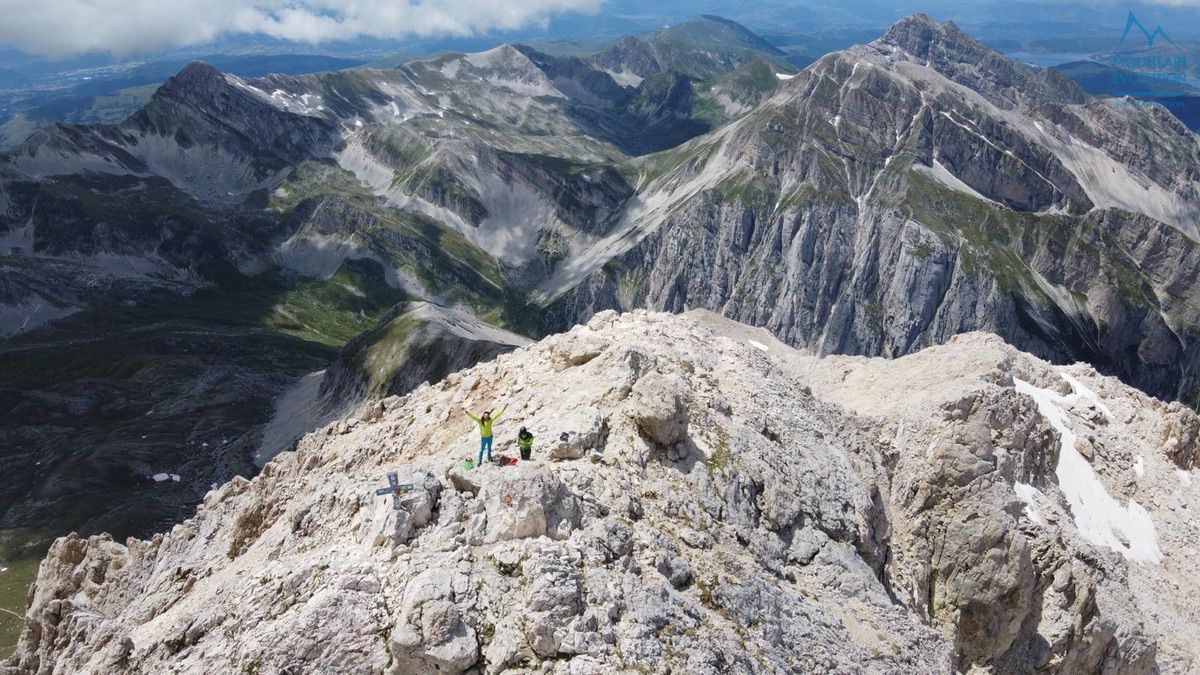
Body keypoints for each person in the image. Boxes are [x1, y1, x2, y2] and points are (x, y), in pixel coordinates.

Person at [464, 402, 506, 466]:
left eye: (487, 415)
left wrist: (503, 409)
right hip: (483, 438)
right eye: (485, 415)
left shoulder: (490, 420)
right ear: (483, 415)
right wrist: (467, 412)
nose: (486, 416)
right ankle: (479, 461)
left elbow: (497, 414)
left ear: (488, 416)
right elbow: (474, 417)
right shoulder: (480, 421)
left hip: (490, 437)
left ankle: (489, 458)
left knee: (489, 449)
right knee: (481, 450)